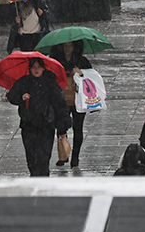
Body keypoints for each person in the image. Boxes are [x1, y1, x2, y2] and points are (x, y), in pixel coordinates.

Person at [5, 57, 72, 177]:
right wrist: (21, 97)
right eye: (33, 67)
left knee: (44, 157)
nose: (36, 70)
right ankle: (35, 178)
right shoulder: (23, 82)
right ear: (29, 69)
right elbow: (11, 96)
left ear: (43, 68)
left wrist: (62, 128)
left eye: (38, 67)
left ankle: (42, 180)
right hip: (28, 126)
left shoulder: (50, 84)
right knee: (31, 157)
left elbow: (60, 106)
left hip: (46, 126)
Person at [48, 39, 91, 168]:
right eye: (65, 46)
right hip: (61, 100)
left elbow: (90, 80)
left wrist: (81, 74)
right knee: (61, 128)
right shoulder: (55, 61)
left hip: (78, 99)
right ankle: (63, 154)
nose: (67, 48)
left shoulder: (82, 61)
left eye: (70, 46)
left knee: (78, 128)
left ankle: (75, 157)